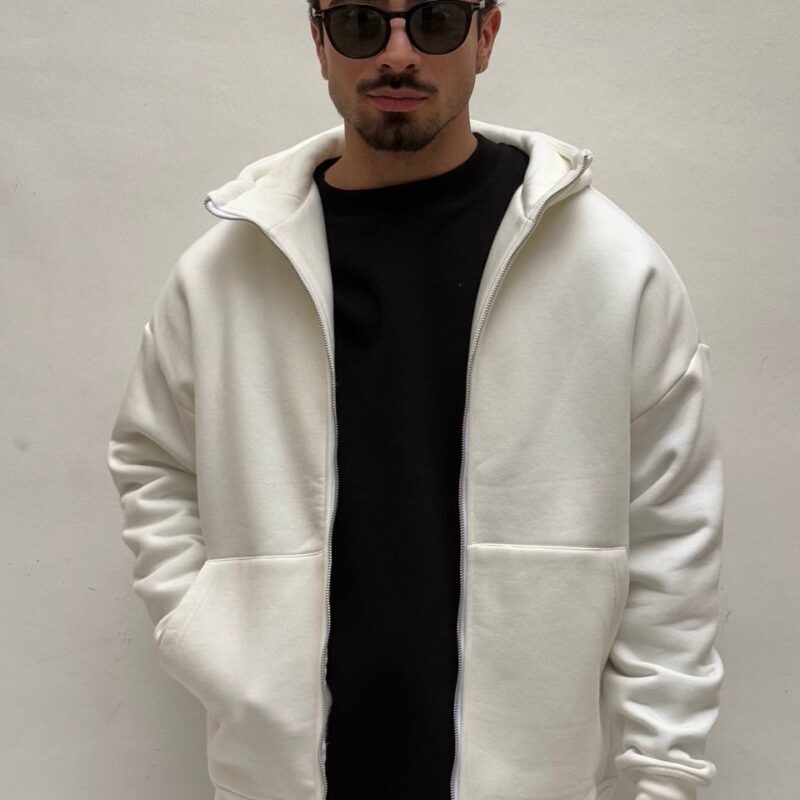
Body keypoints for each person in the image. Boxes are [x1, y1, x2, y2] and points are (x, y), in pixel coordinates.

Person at [106, 1, 726, 799]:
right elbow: (153, 457)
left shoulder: (610, 269)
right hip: (281, 778)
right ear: (319, 41)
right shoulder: (225, 274)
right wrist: (207, 631)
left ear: (486, 35)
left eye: (433, 21)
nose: (398, 53)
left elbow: (674, 544)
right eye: (361, 23)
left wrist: (662, 777)